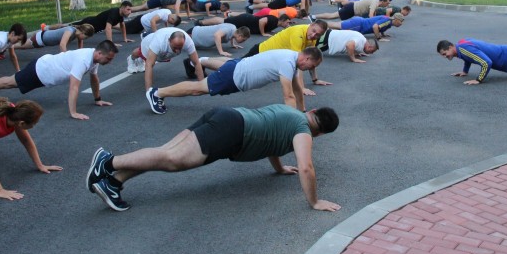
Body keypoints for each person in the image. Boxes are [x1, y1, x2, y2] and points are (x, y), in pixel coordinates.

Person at [84, 103, 340, 212]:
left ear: (313, 110)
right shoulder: (304, 131)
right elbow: (306, 167)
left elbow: (271, 140)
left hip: (225, 115)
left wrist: (280, 167)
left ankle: (112, 183)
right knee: (172, 160)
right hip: (230, 131)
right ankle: (108, 162)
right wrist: (315, 201)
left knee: (164, 154)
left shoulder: (292, 113)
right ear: (321, 132)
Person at [0, 41, 119, 120]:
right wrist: (73, 112)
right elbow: (74, 87)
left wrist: (98, 99)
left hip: (44, 72)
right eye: (108, 58)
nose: (109, 61)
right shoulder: (83, 60)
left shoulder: (93, 59)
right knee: (8, 82)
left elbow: (94, 78)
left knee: (9, 83)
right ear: (99, 53)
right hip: (40, 71)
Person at [147, 47, 322, 115]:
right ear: (306, 58)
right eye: (311, 66)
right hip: (235, 76)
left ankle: (201, 61)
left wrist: (303, 110)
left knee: (221, 69)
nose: (310, 70)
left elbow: (298, 89)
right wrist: (294, 122)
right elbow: (288, 96)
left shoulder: (291, 58)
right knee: (198, 89)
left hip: (238, 67)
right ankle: (157, 93)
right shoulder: (288, 62)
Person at [126, 28, 205, 100]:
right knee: (141, 54)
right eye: (175, 48)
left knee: (161, 57)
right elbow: (149, 65)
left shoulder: (188, 42)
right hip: (148, 43)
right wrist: (149, 91)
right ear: (169, 40)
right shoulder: (158, 42)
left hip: (163, 51)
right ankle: (131, 59)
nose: (177, 51)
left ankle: (142, 60)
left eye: (180, 48)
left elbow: (196, 62)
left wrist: (201, 85)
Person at [197, 12, 291, 37]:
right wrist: (263, 33)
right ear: (282, 20)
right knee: (223, 21)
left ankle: (203, 23)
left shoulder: (276, 24)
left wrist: (267, 31)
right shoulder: (274, 19)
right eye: (287, 22)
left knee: (224, 22)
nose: (287, 24)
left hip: (247, 20)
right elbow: (261, 21)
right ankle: (201, 22)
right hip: (245, 20)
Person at [17, 23, 95, 52]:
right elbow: (62, 45)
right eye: (85, 37)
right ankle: (6, 46)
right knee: (19, 46)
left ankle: (7, 46)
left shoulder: (77, 32)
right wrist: (65, 58)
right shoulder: (70, 31)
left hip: (43, 39)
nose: (84, 39)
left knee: (21, 45)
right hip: (40, 39)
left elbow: (80, 41)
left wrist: (80, 52)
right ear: (82, 32)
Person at [326, 13, 403, 41]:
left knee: (338, 27)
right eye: (400, 21)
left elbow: (381, 27)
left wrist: (383, 34)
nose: (401, 23)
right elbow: (375, 27)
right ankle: (318, 25)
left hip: (359, 24)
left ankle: (322, 27)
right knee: (337, 26)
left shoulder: (389, 22)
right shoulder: (387, 20)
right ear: (396, 19)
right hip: (359, 24)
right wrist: (379, 38)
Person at [315, 0, 389, 20]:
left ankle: (315, 17)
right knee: (332, 16)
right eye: (387, 3)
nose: (387, 5)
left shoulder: (375, 1)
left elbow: (372, 14)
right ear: (383, 1)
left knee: (335, 18)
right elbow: (370, 16)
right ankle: (314, 17)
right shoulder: (374, 3)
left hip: (352, 9)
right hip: (351, 9)